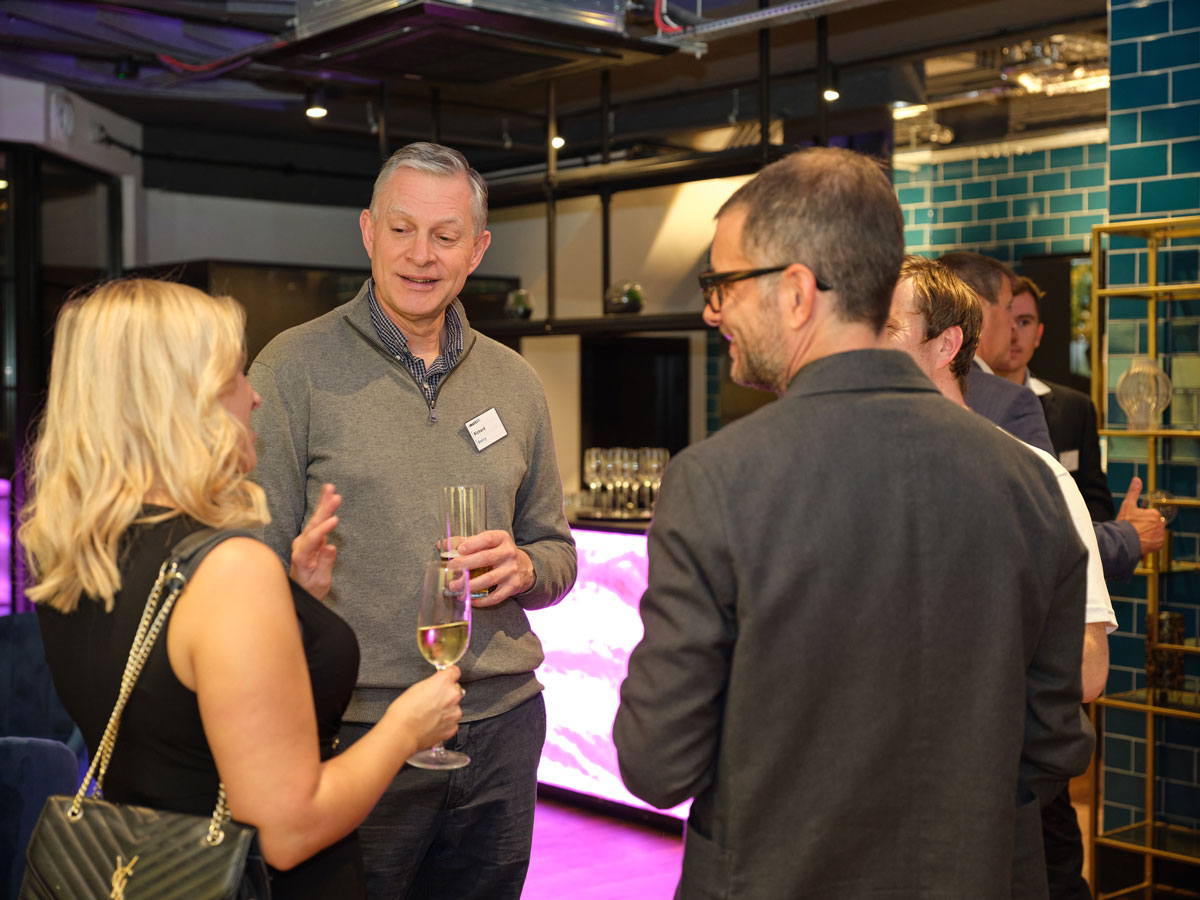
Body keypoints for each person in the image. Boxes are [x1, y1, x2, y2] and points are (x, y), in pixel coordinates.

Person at [613, 147, 1093, 899]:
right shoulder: (1030, 481)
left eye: (723, 284)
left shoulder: (717, 481)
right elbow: (1053, 742)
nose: (712, 310)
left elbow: (657, 760)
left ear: (796, 293)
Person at [21, 279, 463, 900]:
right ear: (180, 402)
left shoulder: (73, 551)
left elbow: (169, 720)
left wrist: (291, 601)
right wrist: (406, 728)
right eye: (233, 376)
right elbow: (289, 830)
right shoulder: (228, 571)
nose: (253, 396)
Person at [249, 141, 577, 900]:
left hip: (500, 729)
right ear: (368, 232)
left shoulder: (515, 381)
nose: (421, 255)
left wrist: (527, 567)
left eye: (445, 235)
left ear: (478, 249)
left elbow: (556, 552)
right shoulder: (291, 369)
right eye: (401, 230)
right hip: (356, 731)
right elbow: (247, 564)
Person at [997, 275, 1165, 576]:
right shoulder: (965, 405)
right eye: (1006, 322)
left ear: (1039, 334)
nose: (1013, 334)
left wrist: (1111, 537)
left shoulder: (1075, 408)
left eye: (1024, 322)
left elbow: (1095, 500)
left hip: (1067, 574)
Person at [937, 250, 1056, 455]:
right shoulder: (1014, 402)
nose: (1012, 325)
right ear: (978, 310)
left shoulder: (910, 385)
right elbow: (1045, 477)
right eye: (1008, 307)